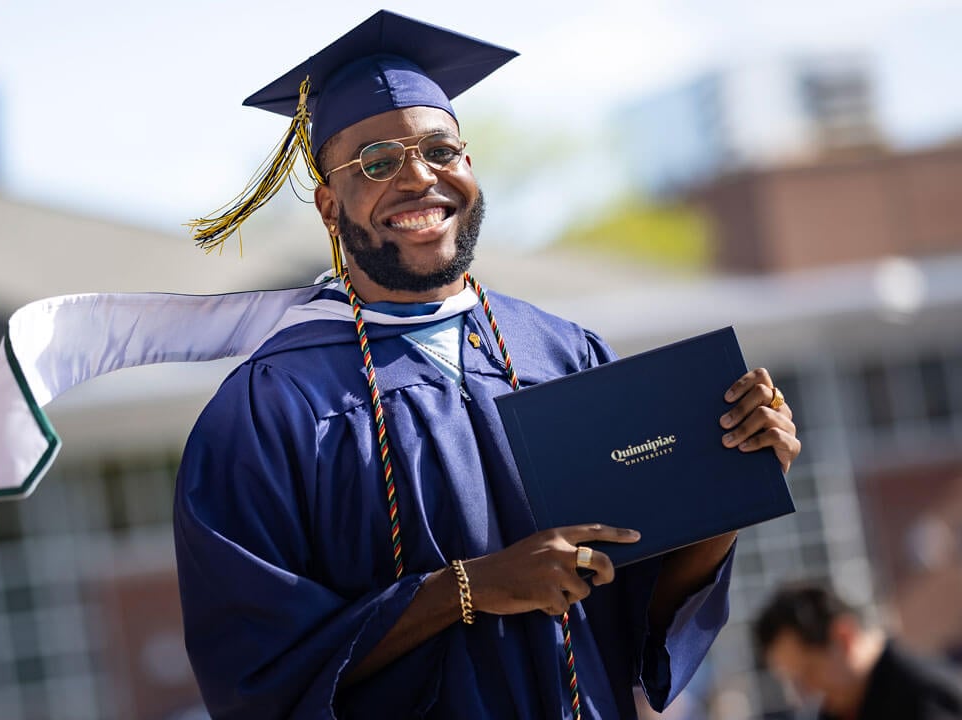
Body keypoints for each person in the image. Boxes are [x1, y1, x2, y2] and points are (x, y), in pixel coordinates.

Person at [171, 10, 802, 720]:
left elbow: (634, 626)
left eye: (441, 149)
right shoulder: (269, 412)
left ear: (468, 166)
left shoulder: (568, 356)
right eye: (375, 163)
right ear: (328, 205)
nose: (418, 177)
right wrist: (466, 589)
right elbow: (259, 675)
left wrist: (732, 483)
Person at [754, 584, 962, 720]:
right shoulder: (839, 709)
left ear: (844, 636)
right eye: (793, 680)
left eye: (809, 671)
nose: (805, 691)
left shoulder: (925, 697)